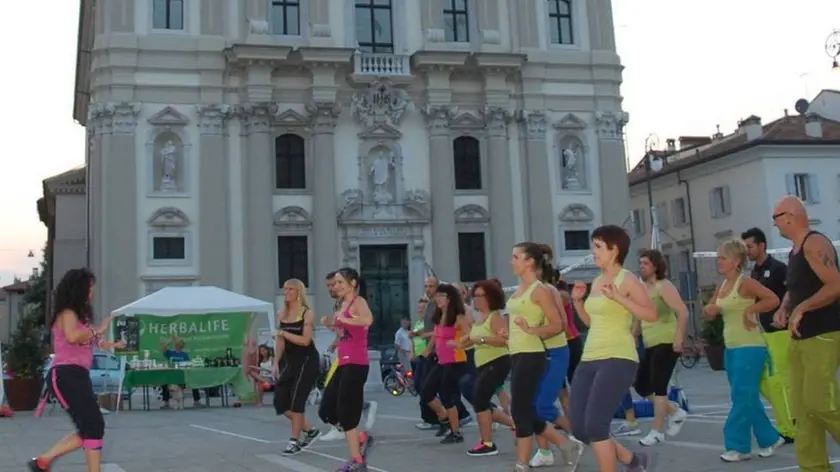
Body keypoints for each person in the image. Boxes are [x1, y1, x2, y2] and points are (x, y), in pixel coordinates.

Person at [568, 225, 657, 472]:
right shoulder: (597, 281)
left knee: (596, 427)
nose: (593, 252)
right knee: (579, 427)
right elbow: (592, 323)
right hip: (590, 357)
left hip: (618, 357)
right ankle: (633, 460)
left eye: (597, 246)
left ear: (614, 249)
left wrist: (620, 298)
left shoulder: (627, 279)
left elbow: (651, 314)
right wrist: (577, 301)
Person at [29, 269, 124, 472]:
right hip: (65, 374)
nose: (92, 293)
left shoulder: (79, 317)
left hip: (77, 375)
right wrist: (97, 329)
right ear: (78, 289)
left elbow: (89, 340)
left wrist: (110, 345)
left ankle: (43, 461)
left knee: (92, 427)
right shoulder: (67, 313)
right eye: (89, 289)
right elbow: (72, 337)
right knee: (93, 425)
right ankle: (45, 461)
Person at [771, 196, 840, 471]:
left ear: (790, 216)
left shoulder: (815, 243)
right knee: (804, 414)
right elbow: (797, 287)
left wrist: (804, 308)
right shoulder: (794, 250)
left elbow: (835, 284)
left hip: (823, 334)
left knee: (821, 403)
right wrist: (786, 307)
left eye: (775, 217)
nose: (773, 223)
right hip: (799, 339)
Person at [703, 238, 783, 462]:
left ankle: (738, 446)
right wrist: (710, 310)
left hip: (751, 347)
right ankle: (769, 438)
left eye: (723, 258)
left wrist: (751, 311)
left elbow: (773, 299)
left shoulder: (745, 283)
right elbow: (712, 308)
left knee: (742, 397)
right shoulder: (722, 286)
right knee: (745, 396)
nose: (718, 261)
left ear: (736, 261)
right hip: (732, 348)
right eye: (718, 257)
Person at [508, 242, 583, 472]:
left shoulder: (541, 289)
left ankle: (522, 463)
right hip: (517, 352)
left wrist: (532, 330)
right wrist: (508, 333)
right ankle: (562, 444)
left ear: (529, 261)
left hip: (533, 354)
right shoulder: (520, 289)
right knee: (525, 409)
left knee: (523, 409)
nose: (512, 261)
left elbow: (558, 325)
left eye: (516, 257)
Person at [742, 227, 796, 444]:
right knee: (764, 381)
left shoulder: (778, 268)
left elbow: (791, 294)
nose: (748, 250)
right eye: (745, 247)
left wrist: (786, 313)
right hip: (762, 333)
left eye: (750, 246)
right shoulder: (754, 273)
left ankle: (790, 426)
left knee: (780, 379)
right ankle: (787, 416)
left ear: (761, 245)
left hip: (780, 331)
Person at [318, 267, 375, 471]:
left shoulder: (358, 302)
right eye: (335, 283)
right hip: (343, 362)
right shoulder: (341, 305)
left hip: (357, 363)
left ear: (352, 284)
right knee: (326, 410)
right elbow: (346, 332)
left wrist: (345, 320)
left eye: (341, 282)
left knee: (347, 411)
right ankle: (360, 438)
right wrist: (330, 325)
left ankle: (356, 460)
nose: (337, 286)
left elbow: (367, 321)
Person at [530, 244, 580, 468]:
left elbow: (558, 321)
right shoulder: (533, 288)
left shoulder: (553, 289)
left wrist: (532, 329)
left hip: (561, 345)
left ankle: (576, 433)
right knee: (541, 402)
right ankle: (545, 449)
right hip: (539, 350)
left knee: (556, 397)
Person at [635, 249, 690, 446]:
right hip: (650, 341)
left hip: (666, 340)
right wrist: (633, 336)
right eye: (640, 263)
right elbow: (638, 315)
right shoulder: (642, 288)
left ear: (656, 266)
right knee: (640, 384)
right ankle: (674, 411)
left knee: (659, 386)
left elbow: (683, 312)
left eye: (646, 264)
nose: (642, 267)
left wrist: (679, 338)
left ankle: (657, 431)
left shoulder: (664, 286)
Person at [457, 279, 514, 456]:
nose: (477, 299)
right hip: (483, 364)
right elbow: (473, 340)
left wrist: (479, 340)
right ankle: (516, 425)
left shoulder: (495, 317)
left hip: (497, 361)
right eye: (476, 295)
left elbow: (504, 340)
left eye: (482, 296)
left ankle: (487, 443)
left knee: (480, 400)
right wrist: (464, 342)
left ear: (491, 298)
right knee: (480, 400)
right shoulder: (479, 318)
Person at [416, 277, 471, 431]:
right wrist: (428, 348)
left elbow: (470, 336)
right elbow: (436, 334)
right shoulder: (439, 317)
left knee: (448, 396)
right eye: (438, 296)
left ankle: (455, 431)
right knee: (426, 392)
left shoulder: (458, 317)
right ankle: (445, 419)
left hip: (455, 361)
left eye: (441, 296)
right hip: (441, 360)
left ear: (450, 299)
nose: (437, 299)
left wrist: (459, 343)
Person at [273, 278, 322, 455]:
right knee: (280, 401)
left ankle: (294, 441)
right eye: (285, 289)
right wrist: (275, 362)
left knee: (296, 401)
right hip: (291, 361)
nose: (286, 292)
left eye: (290, 289)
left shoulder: (307, 314)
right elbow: (280, 341)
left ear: (298, 292)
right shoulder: (281, 314)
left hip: (307, 360)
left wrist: (283, 333)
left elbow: (305, 340)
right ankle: (310, 430)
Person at [160, 337, 202, 408]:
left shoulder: (184, 355)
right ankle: (166, 402)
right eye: (178, 343)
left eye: (181, 343)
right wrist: (170, 341)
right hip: (172, 376)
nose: (179, 344)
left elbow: (188, 364)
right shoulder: (171, 353)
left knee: (194, 382)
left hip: (183, 377)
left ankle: (196, 401)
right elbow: (163, 348)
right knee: (164, 382)